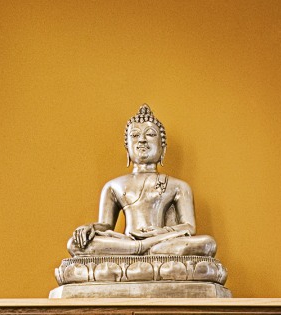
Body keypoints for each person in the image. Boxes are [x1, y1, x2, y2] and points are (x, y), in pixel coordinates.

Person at [68, 104, 217, 258]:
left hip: (160, 241)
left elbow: (189, 227)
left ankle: (140, 249)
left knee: (207, 244)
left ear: (163, 148)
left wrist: (159, 233)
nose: (142, 140)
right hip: (127, 241)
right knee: (75, 244)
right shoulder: (113, 186)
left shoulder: (178, 186)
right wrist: (89, 228)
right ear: (127, 148)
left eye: (150, 134)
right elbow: (106, 225)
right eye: (135, 135)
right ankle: (140, 248)